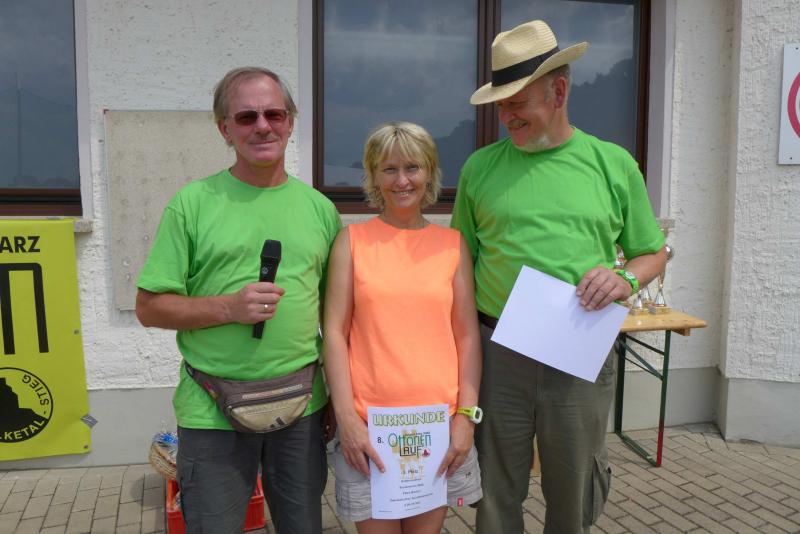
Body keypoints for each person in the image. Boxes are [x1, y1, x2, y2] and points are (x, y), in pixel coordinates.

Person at [451, 20, 668, 534]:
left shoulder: (612, 164)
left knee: (573, 486)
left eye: (516, 103)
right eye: (500, 105)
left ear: (560, 92)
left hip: (578, 350)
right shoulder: (479, 168)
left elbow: (651, 253)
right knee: (495, 488)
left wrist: (625, 280)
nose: (506, 116)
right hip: (498, 350)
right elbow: (459, 266)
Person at [135, 67, 341, 534]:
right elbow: (149, 306)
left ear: (290, 122)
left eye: (274, 114)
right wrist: (228, 308)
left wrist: (337, 397)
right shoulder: (192, 203)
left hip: (302, 408)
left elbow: (335, 319)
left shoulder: (320, 210)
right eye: (247, 117)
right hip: (213, 412)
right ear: (224, 129)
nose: (262, 126)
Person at [323, 122, 483, 533]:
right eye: (389, 169)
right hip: (370, 431)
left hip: (436, 429)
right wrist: (346, 418)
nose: (402, 180)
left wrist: (466, 417)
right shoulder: (351, 242)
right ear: (374, 176)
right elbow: (335, 334)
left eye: (412, 167)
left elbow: (467, 337)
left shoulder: (452, 245)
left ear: (429, 172)